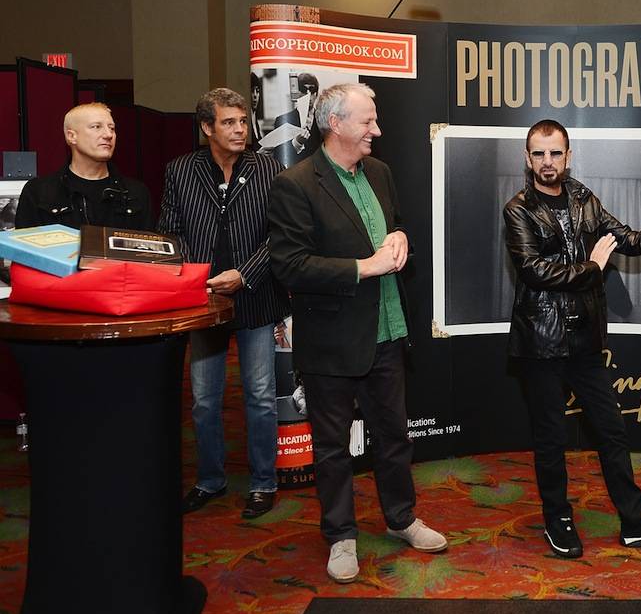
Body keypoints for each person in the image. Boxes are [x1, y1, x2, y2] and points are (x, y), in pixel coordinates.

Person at [503, 118, 641, 558]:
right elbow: (535, 272)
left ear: (568, 156)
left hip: (585, 342)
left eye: (555, 153)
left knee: (612, 432)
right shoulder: (518, 209)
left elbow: (630, 240)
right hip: (542, 344)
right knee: (551, 439)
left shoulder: (584, 198)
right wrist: (592, 268)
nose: (548, 162)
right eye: (539, 154)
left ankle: (635, 520)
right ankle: (558, 519)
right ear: (527, 159)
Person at [268, 82, 446, 584]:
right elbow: (290, 265)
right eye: (367, 121)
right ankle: (341, 535)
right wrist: (364, 268)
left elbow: (395, 227)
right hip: (331, 342)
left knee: (394, 437)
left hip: (388, 331)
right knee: (332, 447)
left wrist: (401, 237)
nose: (377, 130)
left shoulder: (380, 173)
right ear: (336, 124)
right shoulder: (296, 184)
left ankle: (401, 518)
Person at [159, 88, 289, 520]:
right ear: (207, 128)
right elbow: (170, 233)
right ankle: (210, 480)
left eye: (242, 121)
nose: (239, 130)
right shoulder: (180, 170)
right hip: (203, 302)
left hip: (255, 296)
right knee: (204, 400)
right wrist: (192, 278)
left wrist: (244, 274)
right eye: (228, 122)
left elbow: (281, 235)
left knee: (261, 397)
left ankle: (263, 483)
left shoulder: (268, 168)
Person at [15, 102, 152, 230]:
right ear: (71, 136)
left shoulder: (135, 193)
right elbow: (23, 246)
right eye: (96, 127)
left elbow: (149, 246)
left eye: (112, 128)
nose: (108, 134)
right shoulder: (39, 192)